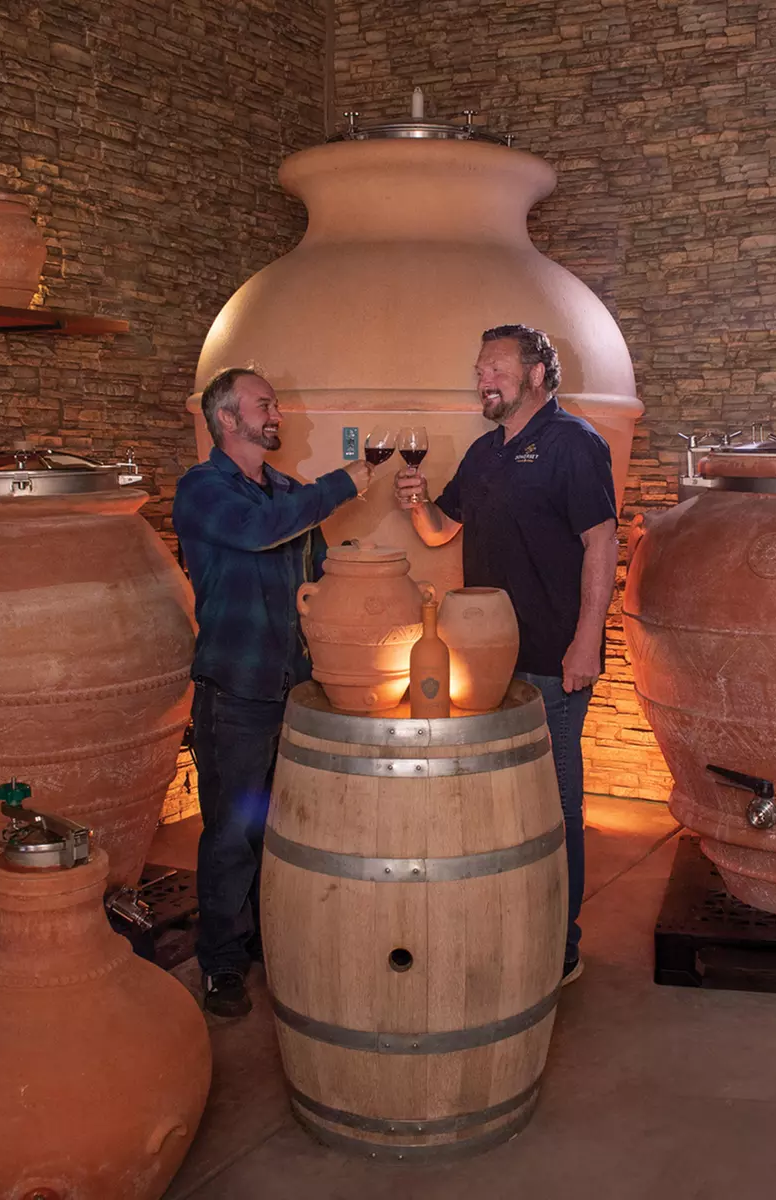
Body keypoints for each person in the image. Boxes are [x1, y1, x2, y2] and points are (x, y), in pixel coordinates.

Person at [394, 324, 617, 986]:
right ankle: (508, 925)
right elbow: (442, 529)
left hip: (551, 657)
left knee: (553, 803)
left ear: (536, 375)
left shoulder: (573, 444)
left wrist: (586, 641)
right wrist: (417, 506)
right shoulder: (485, 452)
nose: (481, 377)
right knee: (494, 802)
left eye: (494, 366)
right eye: (478, 368)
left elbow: (600, 544)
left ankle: (559, 945)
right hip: (483, 660)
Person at [173, 367, 375, 1019]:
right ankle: (222, 962)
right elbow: (261, 530)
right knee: (231, 830)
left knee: (285, 825)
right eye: (264, 403)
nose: (276, 411)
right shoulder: (202, 490)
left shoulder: (286, 489)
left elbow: (316, 578)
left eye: (276, 402)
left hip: (294, 687)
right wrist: (345, 482)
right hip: (234, 687)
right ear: (228, 419)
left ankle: (267, 935)